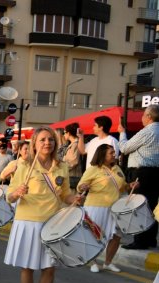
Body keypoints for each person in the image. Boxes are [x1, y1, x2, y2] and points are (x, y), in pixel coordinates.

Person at [5, 126, 81, 283]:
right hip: (28, 220)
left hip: (52, 222)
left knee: (49, 267)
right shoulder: (23, 166)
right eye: (43, 140)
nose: (48, 143)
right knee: (28, 267)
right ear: (34, 144)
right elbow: (9, 196)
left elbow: (65, 194)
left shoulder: (61, 166)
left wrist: (75, 198)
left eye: (51, 140)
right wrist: (16, 192)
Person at [77, 144, 137, 273]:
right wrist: (83, 187)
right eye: (111, 153)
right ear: (102, 155)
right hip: (96, 206)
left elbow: (122, 187)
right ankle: (93, 261)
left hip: (114, 207)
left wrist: (129, 185)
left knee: (116, 235)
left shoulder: (118, 169)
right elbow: (80, 185)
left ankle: (108, 262)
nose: (114, 154)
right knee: (94, 235)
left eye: (114, 152)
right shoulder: (93, 169)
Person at [119, 104, 159, 249]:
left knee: (139, 207)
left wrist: (122, 133)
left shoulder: (147, 131)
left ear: (149, 117)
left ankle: (140, 241)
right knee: (152, 206)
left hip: (142, 173)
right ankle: (150, 239)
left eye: (143, 115)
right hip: (156, 173)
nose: (142, 118)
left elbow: (125, 147)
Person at [61, 123, 83, 189]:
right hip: (70, 176)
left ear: (69, 133)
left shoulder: (75, 145)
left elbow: (73, 162)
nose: (63, 135)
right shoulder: (72, 144)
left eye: (64, 132)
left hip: (73, 177)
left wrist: (61, 168)